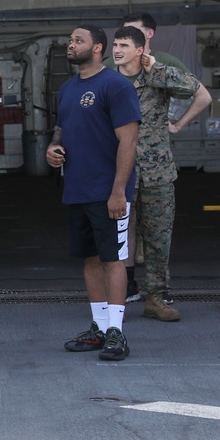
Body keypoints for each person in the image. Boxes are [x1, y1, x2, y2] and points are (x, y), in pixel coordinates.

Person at [46, 25, 140, 361]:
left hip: (107, 192)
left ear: (97, 47)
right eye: (70, 40)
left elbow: (129, 141)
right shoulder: (68, 89)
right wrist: (53, 149)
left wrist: (119, 191)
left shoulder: (115, 86)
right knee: (90, 258)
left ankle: (117, 332)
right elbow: (61, 131)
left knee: (112, 258)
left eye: (78, 41)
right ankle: (99, 328)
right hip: (77, 190)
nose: (71, 45)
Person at [111, 26, 211, 322]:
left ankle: (156, 298)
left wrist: (178, 124)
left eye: (124, 45)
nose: (117, 50)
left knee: (158, 237)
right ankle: (115, 300)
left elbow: (196, 90)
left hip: (157, 172)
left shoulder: (158, 75)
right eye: (115, 44)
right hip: (119, 172)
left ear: (140, 50)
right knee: (114, 237)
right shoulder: (109, 81)